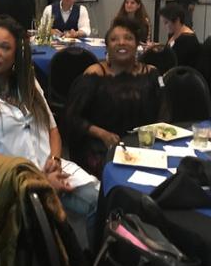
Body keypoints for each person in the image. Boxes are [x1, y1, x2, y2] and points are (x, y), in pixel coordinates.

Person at [0, 16, 98, 244]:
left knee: (99, 200)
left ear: (17, 54)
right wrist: (41, 181)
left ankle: (85, 264)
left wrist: (55, 159)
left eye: (4, 47)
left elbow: (53, 130)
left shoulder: (28, 83)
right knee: (41, 220)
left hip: (45, 167)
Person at [65, 18, 165, 178]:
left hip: (146, 145)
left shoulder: (151, 73)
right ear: (107, 47)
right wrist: (102, 134)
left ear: (137, 44)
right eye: (114, 39)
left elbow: (164, 111)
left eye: (128, 38)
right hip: (103, 146)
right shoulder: (94, 74)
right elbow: (73, 117)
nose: (121, 42)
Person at [149, 3, 201, 68]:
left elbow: (174, 61)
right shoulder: (177, 34)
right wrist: (157, 48)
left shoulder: (186, 39)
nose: (164, 26)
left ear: (177, 20)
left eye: (166, 22)